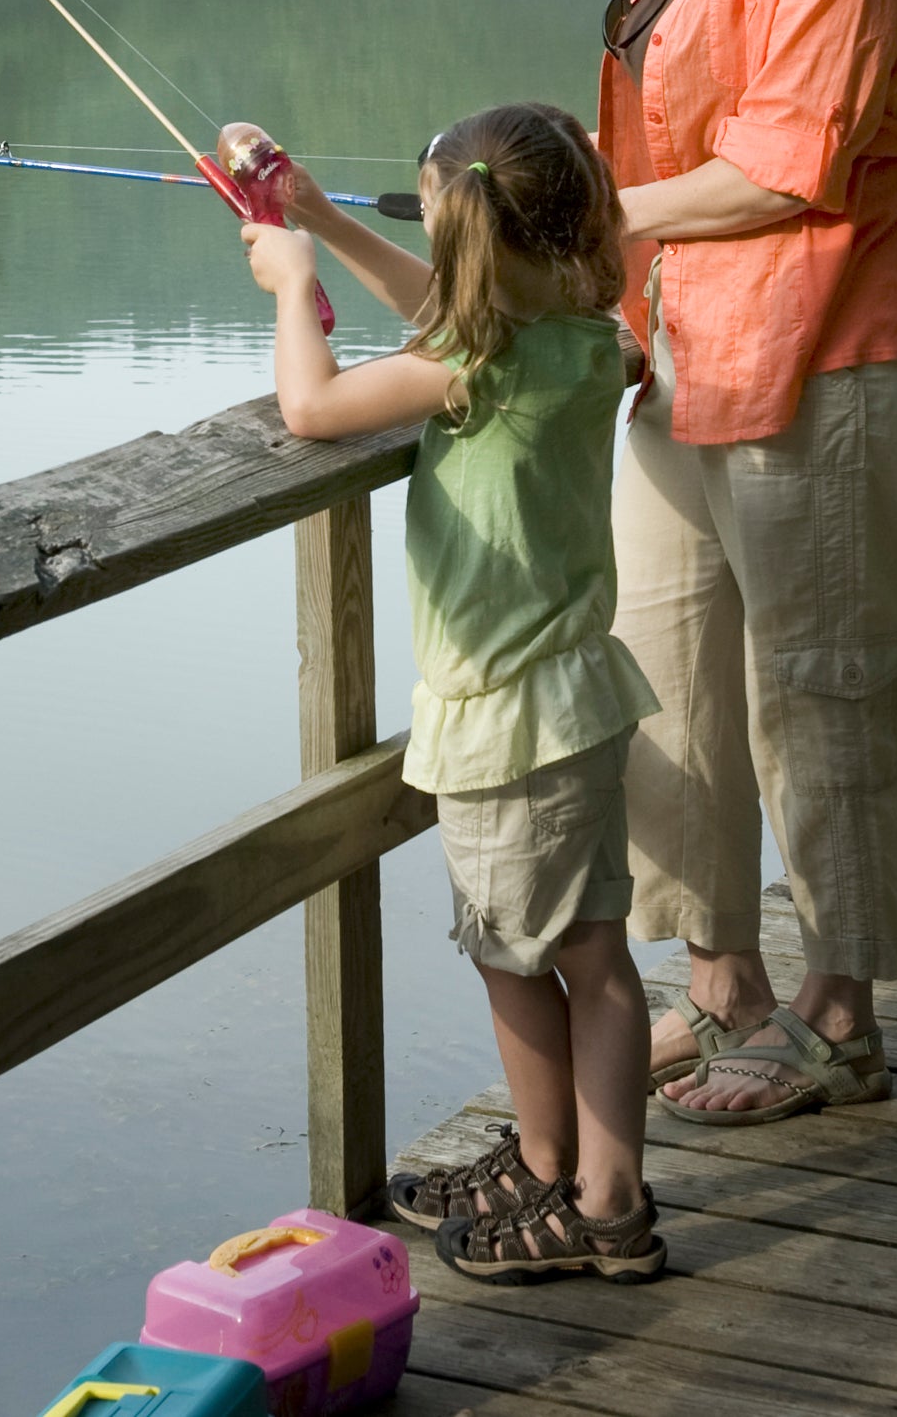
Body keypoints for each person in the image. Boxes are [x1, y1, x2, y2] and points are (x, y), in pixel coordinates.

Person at [572, 0, 897, 1124]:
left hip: (834, 352)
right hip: (688, 344)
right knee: (669, 672)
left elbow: (790, 164)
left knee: (827, 687)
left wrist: (584, 212)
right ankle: (718, 978)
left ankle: (841, 1006)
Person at [252, 101, 669, 1285]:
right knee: (593, 953)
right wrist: (323, 215)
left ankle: (584, 1188)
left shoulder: (474, 366)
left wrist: (294, 283)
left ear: (465, 229)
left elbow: (312, 408)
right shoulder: (586, 335)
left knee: (518, 953)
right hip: (577, 698)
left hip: (504, 719)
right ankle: (585, 1178)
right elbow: (451, 314)